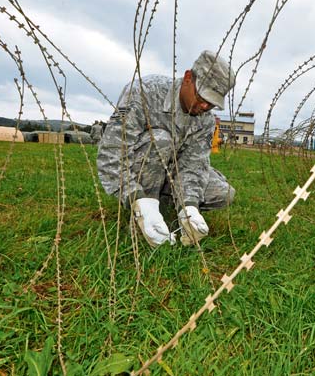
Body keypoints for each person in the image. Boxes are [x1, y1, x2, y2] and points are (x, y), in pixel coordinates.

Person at [97, 50, 236, 247]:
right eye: (202, 96)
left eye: (212, 103)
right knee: (161, 139)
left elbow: (193, 165)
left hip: (172, 172)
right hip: (140, 166)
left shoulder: (205, 120)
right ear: (188, 78)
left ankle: (171, 208)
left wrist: (189, 206)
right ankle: (144, 211)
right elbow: (112, 151)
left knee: (222, 193)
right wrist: (134, 196)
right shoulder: (144, 92)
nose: (205, 106)